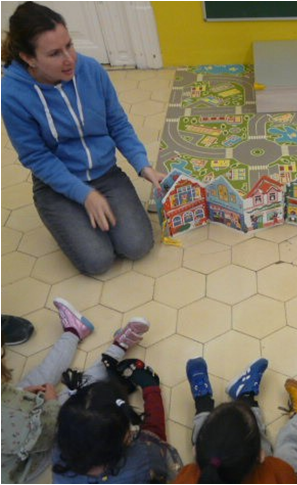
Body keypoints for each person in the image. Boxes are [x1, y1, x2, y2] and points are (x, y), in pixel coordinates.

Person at [1, 1, 165, 275]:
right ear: (29, 58)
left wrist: (143, 165)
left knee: (137, 246)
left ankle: (92, 213)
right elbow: (36, 157)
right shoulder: (12, 94)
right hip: (56, 185)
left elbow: (117, 123)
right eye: (55, 53)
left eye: (69, 45)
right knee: (97, 261)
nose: (69, 59)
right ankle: (64, 214)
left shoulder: (91, 70)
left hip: (105, 173)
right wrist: (84, 195)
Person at [1, 297, 147, 483]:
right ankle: (118, 347)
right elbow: (43, 435)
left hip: (15, 423)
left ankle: (73, 332)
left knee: (43, 376)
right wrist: (52, 403)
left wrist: (20, 395)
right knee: (82, 398)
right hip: (30, 451)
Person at [52, 330, 183, 483]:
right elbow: (166, 461)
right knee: (153, 435)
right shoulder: (146, 457)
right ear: (126, 438)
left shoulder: (58, 458)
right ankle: (151, 388)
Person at [176, 357, 297, 484]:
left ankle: (203, 401)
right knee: (289, 449)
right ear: (261, 455)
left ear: (195, 452)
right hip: (273, 476)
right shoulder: (277, 470)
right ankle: (248, 397)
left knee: (214, 442)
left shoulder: (185, 478)